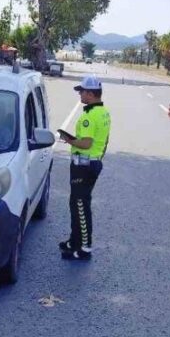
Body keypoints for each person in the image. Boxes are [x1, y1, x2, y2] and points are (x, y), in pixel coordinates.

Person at [58, 75, 111, 261]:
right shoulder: (104, 112)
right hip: (93, 163)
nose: (79, 94)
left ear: (90, 93)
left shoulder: (90, 116)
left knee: (80, 205)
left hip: (84, 166)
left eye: (81, 91)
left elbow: (86, 143)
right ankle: (74, 241)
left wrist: (68, 139)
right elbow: (103, 142)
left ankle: (84, 248)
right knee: (76, 203)